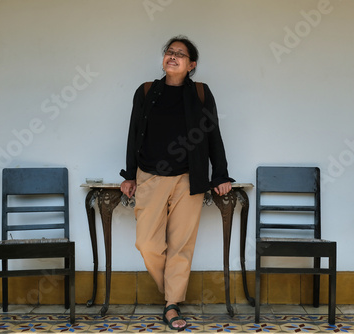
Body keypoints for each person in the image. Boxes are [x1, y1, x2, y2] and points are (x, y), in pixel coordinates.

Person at [120, 35, 234, 331]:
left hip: (189, 177)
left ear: (191, 64)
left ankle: (171, 305)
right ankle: (171, 288)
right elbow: (134, 133)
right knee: (146, 243)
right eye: (169, 52)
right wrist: (130, 175)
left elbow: (213, 134)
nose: (173, 56)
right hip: (150, 176)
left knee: (181, 246)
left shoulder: (200, 92)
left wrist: (219, 175)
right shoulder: (145, 91)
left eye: (180, 54)